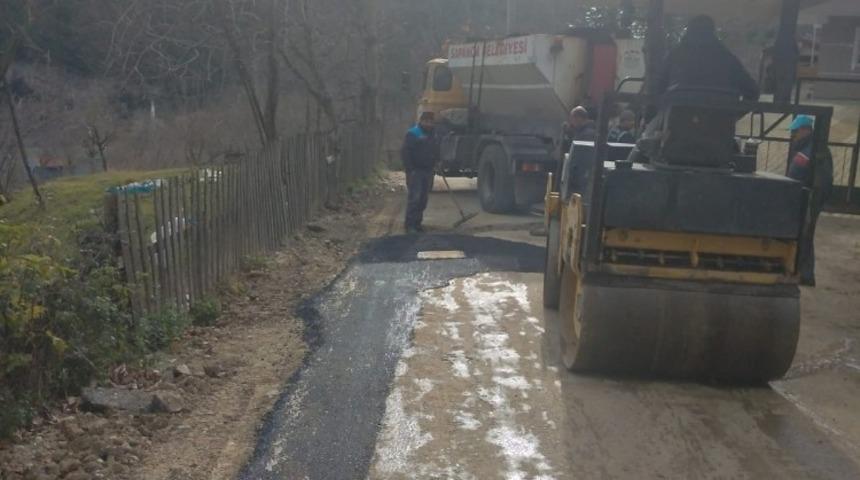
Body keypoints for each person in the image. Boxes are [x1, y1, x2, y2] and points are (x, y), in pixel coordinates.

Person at [655, 15, 760, 101]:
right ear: (712, 33)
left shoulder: (676, 55)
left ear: (689, 32)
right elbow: (753, 91)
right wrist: (734, 115)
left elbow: (657, 88)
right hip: (721, 119)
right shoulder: (727, 58)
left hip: (677, 119)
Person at [787, 115, 834, 286]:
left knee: (805, 235)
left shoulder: (810, 150)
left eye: (795, 131)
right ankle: (801, 271)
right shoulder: (812, 147)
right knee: (803, 234)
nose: (793, 135)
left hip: (810, 198)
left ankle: (805, 275)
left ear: (805, 130)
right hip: (809, 196)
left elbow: (795, 173)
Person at [401, 111, 439, 234]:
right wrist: (410, 170)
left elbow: (435, 149)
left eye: (431, 122)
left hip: (428, 171)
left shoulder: (433, 134)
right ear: (421, 121)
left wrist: (437, 161)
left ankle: (417, 223)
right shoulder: (413, 134)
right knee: (415, 198)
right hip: (415, 171)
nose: (429, 124)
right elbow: (406, 153)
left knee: (423, 199)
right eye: (426, 121)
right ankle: (409, 225)